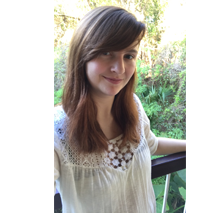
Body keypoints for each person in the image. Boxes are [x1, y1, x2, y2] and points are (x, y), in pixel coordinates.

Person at [54, 6, 186, 213]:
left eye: (129, 56)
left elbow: (151, 144)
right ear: (82, 55)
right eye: (107, 53)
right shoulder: (56, 131)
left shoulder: (132, 105)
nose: (120, 69)